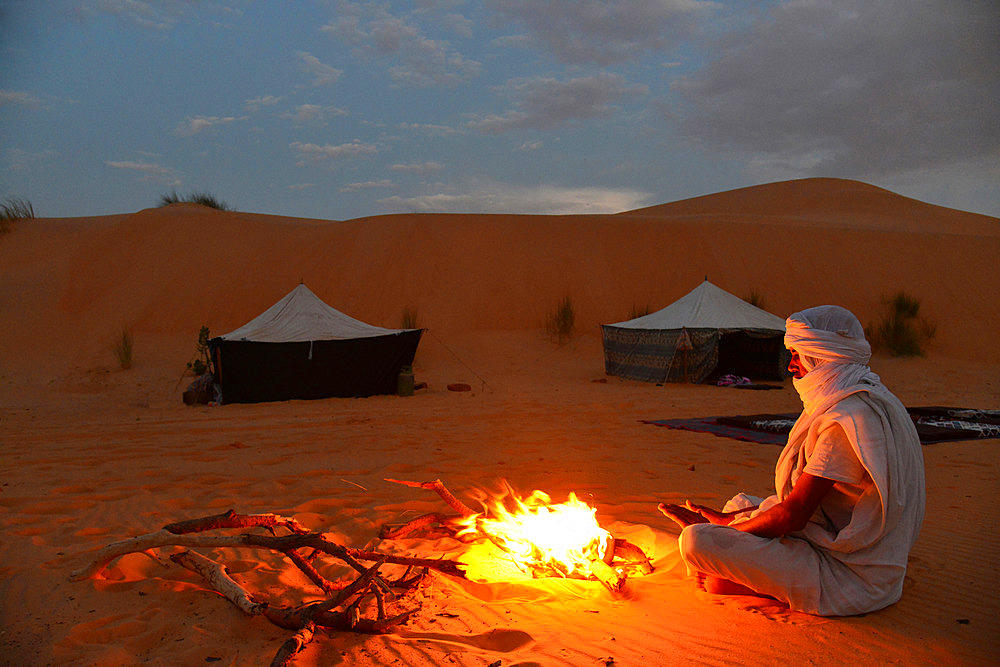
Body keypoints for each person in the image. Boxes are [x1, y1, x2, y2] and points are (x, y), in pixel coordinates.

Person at [658, 305, 925, 616]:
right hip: (859, 552)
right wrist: (731, 521)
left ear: (821, 355)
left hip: (850, 576)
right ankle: (739, 565)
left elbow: (794, 515)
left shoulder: (845, 419)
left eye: (797, 355)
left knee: (696, 542)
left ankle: (737, 583)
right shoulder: (869, 397)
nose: (792, 366)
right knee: (739, 503)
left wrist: (728, 530)